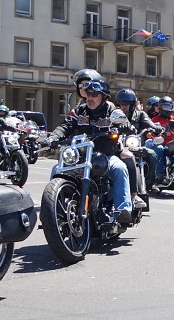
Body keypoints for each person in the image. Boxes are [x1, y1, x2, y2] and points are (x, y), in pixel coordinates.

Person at [46, 75, 134, 223]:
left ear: (103, 96)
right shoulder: (79, 111)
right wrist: (54, 137)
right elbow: (65, 126)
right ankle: (53, 211)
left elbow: (123, 121)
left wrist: (125, 126)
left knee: (120, 168)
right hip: (80, 156)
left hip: (106, 155)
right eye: (88, 94)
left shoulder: (112, 110)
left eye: (94, 95)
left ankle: (123, 210)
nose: (90, 98)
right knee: (57, 170)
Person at [115, 88, 158, 207]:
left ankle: (149, 184)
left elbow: (148, 122)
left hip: (136, 145)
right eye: (121, 103)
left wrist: (155, 128)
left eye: (126, 104)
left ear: (133, 104)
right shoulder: (115, 114)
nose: (123, 106)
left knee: (152, 154)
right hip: (121, 146)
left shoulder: (140, 115)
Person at [150, 96, 174, 185]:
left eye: (169, 107)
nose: (167, 109)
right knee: (159, 149)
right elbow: (151, 129)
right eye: (165, 107)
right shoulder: (155, 119)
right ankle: (160, 173)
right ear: (160, 107)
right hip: (161, 143)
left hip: (173, 143)